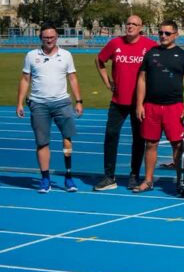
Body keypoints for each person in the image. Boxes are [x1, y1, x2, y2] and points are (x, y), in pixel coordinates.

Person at [16, 25, 84, 193]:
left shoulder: (66, 55)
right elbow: (25, 79)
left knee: (67, 137)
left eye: (52, 37)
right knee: (42, 142)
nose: (49, 40)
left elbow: (73, 78)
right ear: (41, 38)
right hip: (38, 104)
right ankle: (45, 178)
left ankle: (68, 176)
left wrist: (79, 100)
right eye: (46, 37)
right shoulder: (31, 56)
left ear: (57, 37)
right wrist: (19, 103)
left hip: (62, 102)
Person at [94, 15, 156, 191]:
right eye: (128, 23)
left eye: (134, 24)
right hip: (118, 100)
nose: (130, 27)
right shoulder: (115, 44)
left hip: (140, 102)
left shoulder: (150, 45)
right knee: (111, 136)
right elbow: (99, 60)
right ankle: (109, 176)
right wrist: (107, 82)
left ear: (141, 27)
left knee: (139, 139)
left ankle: (134, 175)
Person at [134, 20, 184, 192]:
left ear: (176, 34)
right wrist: (139, 104)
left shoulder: (183, 56)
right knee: (151, 144)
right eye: (161, 33)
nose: (163, 36)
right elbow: (142, 79)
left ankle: (179, 179)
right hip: (151, 106)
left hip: (174, 107)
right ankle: (148, 180)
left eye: (167, 33)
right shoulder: (151, 53)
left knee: (177, 144)